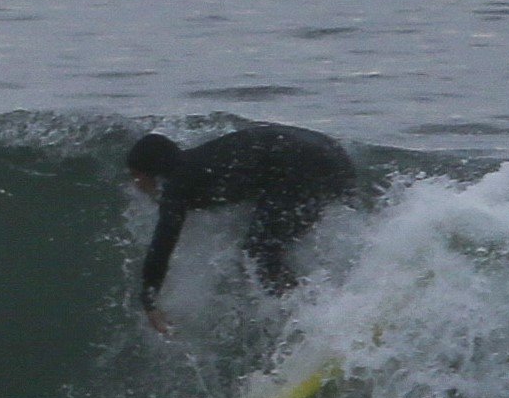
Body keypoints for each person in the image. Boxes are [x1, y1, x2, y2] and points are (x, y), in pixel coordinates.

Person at [125, 124, 361, 328]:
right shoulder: (202, 161)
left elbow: (163, 242)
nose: (136, 184)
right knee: (267, 249)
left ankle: (319, 321)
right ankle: (351, 300)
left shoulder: (179, 183)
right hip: (332, 155)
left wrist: (149, 300)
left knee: (258, 254)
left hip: (306, 165)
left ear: (152, 170)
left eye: (137, 175)